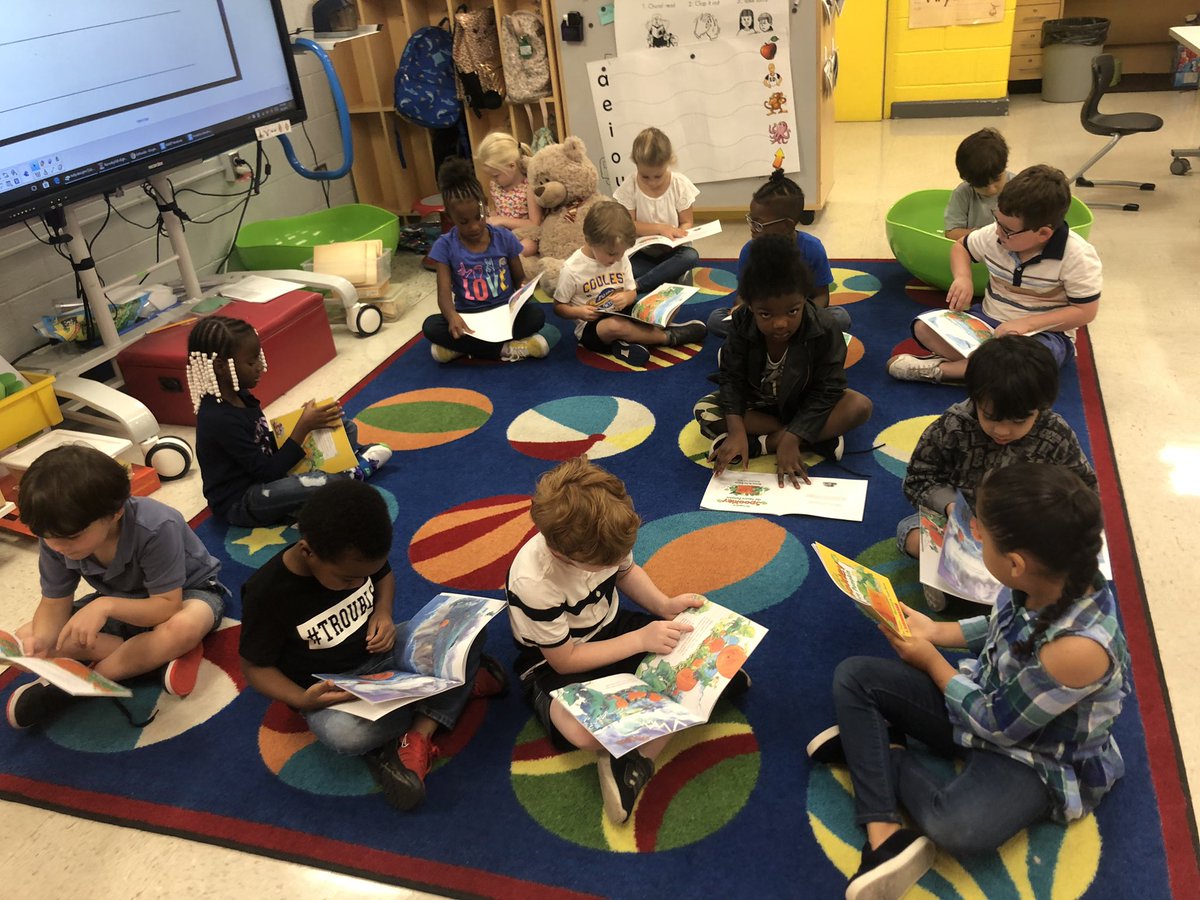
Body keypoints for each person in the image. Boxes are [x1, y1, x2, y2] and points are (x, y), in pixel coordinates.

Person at [808, 463, 1128, 900]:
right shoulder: (1049, 577)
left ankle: (878, 752)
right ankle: (883, 833)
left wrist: (931, 661)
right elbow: (1000, 625)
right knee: (855, 676)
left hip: (1035, 754)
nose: (972, 533)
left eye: (980, 534)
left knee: (957, 827)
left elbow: (997, 724)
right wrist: (937, 632)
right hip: (985, 697)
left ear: (1015, 563)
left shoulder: (1078, 649)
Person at [239, 480, 506, 811]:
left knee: (468, 625)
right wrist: (300, 698)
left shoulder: (360, 551)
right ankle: (449, 695)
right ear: (307, 551)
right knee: (346, 736)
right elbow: (255, 667)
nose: (355, 583)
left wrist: (382, 611)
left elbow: (383, 576)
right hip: (336, 690)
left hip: (386, 654)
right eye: (348, 580)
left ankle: (419, 730)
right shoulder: (267, 593)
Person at [507, 456, 730, 824]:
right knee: (580, 732)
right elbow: (565, 660)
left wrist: (663, 605)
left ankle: (635, 755)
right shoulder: (534, 581)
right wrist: (642, 640)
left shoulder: (603, 537)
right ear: (563, 553)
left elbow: (626, 572)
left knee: (701, 655)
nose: (614, 564)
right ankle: (642, 751)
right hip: (554, 661)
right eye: (602, 564)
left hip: (613, 628)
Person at [6, 445, 227, 729]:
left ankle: (77, 686)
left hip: (187, 595)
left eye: (72, 537)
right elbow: (53, 602)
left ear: (116, 512)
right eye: (46, 537)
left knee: (182, 627)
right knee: (28, 635)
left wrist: (105, 605)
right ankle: (154, 663)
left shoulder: (157, 526)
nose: (58, 547)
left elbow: (166, 606)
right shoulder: (56, 536)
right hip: (119, 602)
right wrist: (41, 644)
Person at [899, 336, 1098, 609]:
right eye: (990, 417)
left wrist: (1046, 521)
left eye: (1019, 421)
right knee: (910, 533)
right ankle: (960, 584)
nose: (1002, 431)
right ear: (975, 398)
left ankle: (976, 590)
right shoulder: (955, 425)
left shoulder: (1054, 433)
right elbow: (919, 477)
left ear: (1041, 407)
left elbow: (1084, 489)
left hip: (1025, 531)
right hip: (964, 523)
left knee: (1067, 561)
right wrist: (951, 507)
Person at [889, 164, 1101, 385]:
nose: (998, 232)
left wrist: (1029, 324)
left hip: (1044, 335)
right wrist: (963, 278)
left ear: (1044, 233)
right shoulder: (996, 233)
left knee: (1031, 363)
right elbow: (961, 247)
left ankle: (944, 371)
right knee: (924, 326)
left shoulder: (1078, 256)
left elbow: (1084, 311)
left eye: (1007, 230)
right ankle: (990, 371)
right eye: (996, 219)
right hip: (987, 321)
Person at [695, 234, 872, 485]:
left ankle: (768, 443)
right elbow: (731, 379)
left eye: (793, 311)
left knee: (859, 406)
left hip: (804, 401)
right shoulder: (741, 321)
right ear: (751, 307)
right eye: (765, 314)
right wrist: (736, 430)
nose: (780, 323)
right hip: (760, 404)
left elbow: (828, 389)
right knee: (704, 410)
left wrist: (791, 439)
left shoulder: (825, 326)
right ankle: (818, 437)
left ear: (804, 300)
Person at [188, 315, 392, 528]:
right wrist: (302, 427)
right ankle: (348, 477)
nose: (260, 367)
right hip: (244, 501)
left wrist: (303, 421)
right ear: (221, 367)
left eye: (259, 357)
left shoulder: (241, 394)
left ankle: (332, 483)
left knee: (344, 426)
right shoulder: (218, 419)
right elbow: (266, 472)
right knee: (317, 484)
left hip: (269, 474)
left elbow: (263, 443)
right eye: (251, 362)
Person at [422, 157, 549, 363]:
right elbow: (444, 295)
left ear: (486, 207)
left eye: (478, 217)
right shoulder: (444, 245)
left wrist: (524, 288)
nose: (474, 227)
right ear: (450, 217)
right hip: (469, 318)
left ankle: (460, 349)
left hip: (503, 313)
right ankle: (506, 349)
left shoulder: (503, 237)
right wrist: (453, 316)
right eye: (464, 222)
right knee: (431, 326)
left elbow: (519, 277)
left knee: (537, 316)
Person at [554, 200, 706, 367]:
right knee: (615, 327)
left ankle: (628, 344)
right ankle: (668, 337)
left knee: (668, 302)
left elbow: (632, 292)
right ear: (589, 241)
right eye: (612, 254)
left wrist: (627, 297)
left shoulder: (620, 257)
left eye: (621, 253)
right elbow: (559, 307)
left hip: (625, 312)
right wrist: (578, 312)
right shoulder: (572, 269)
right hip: (594, 327)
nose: (617, 259)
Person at [708, 169, 850, 338]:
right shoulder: (749, 250)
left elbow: (821, 295)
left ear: (787, 226)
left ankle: (777, 337)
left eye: (759, 224)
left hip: (798, 314)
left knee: (840, 317)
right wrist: (740, 308)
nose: (752, 229)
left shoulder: (812, 248)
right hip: (763, 316)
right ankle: (781, 337)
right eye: (750, 221)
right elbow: (743, 295)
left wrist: (801, 317)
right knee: (715, 320)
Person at [613, 127, 700, 294]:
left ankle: (639, 285)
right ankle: (668, 277)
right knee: (619, 263)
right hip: (642, 252)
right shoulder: (630, 185)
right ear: (636, 164)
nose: (652, 182)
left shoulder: (679, 184)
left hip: (672, 252)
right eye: (645, 176)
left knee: (691, 256)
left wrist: (676, 238)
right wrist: (661, 229)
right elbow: (629, 225)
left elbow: (686, 221)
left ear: (669, 162)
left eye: (658, 176)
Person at [476, 132, 541, 257]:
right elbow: (496, 209)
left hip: (525, 234)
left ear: (512, 166)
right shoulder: (495, 185)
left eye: (496, 175)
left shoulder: (529, 186)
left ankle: (504, 257)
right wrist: (491, 217)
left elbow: (535, 224)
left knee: (528, 246)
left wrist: (502, 220)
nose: (493, 180)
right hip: (502, 233)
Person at [944, 128, 1014, 242]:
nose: (991, 189)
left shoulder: (1019, 188)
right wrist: (985, 235)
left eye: (996, 179)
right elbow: (951, 233)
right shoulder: (963, 193)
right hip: (976, 251)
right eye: (982, 185)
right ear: (969, 181)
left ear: (1004, 166)